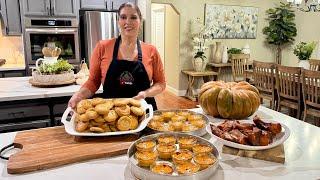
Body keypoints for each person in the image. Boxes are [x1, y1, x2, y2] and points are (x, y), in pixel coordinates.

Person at [68, 2, 166, 110]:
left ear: (140, 21)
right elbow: (93, 81)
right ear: (118, 21)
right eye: (123, 17)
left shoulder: (151, 50)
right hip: (110, 113)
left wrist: (146, 93)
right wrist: (79, 95)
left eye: (133, 17)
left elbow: (160, 83)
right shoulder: (102, 47)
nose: (128, 22)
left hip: (144, 111)